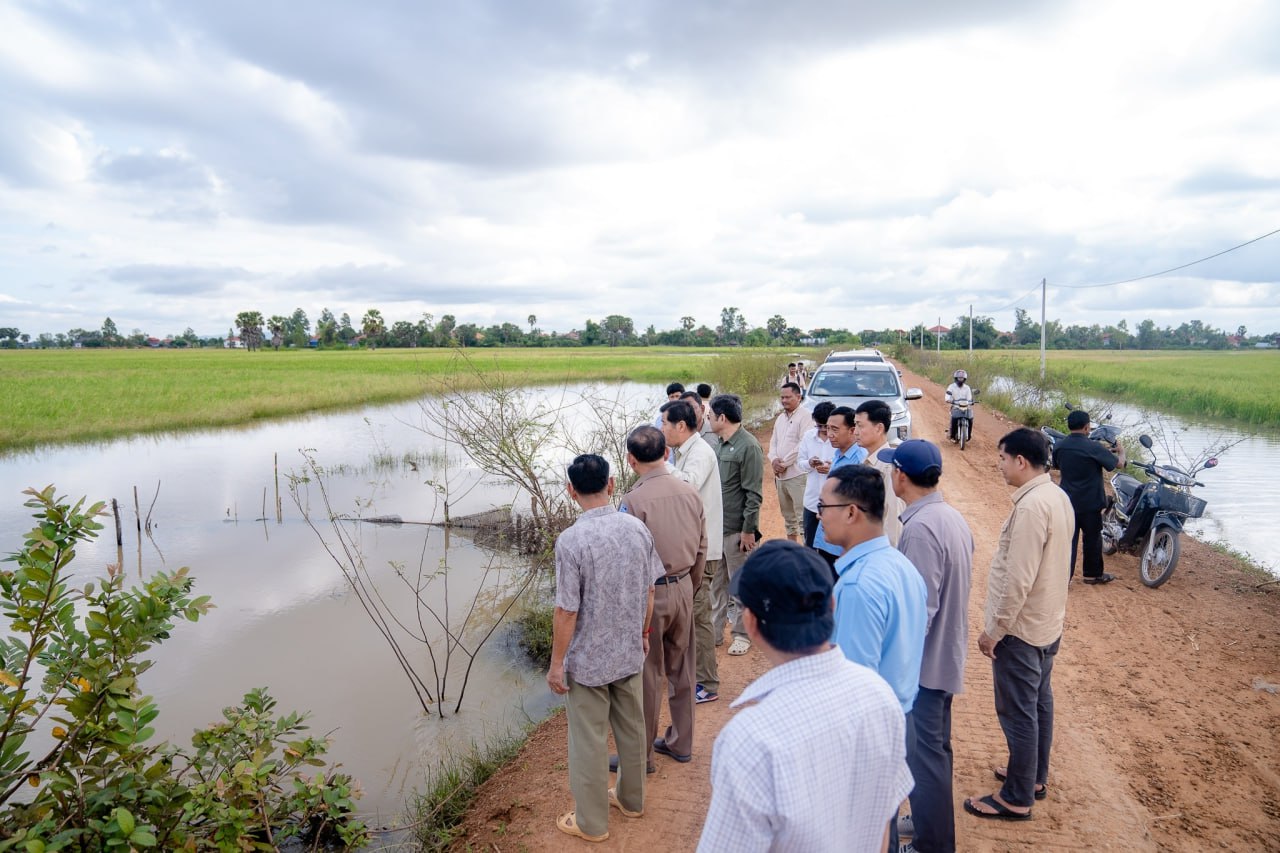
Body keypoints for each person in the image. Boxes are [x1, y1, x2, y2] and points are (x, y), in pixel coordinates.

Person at [697, 541, 913, 853]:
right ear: (833, 607)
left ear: (751, 624)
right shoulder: (880, 695)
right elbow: (881, 824)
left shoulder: (749, 740)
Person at [548, 454, 665, 842]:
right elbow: (650, 589)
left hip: (588, 661)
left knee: (588, 741)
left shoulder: (571, 540)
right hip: (629, 651)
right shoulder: (636, 529)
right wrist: (644, 632)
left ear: (571, 491)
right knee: (632, 730)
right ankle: (632, 801)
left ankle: (592, 823)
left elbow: (567, 608)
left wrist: (556, 663)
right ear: (611, 484)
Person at [965, 428, 1072, 822]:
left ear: (1021, 462)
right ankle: (1033, 777)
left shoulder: (1030, 507)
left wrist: (995, 629)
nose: (1000, 466)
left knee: (1018, 712)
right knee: (1039, 702)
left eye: (1002, 459)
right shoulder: (1057, 496)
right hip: (1048, 623)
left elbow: (1018, 579)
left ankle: (1016, 796)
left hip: (1022, 630)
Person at [818, 465, 928, 850]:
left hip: (869, 735)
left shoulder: (858, 586)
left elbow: (854, 686)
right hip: (902, 717)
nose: (819, 516)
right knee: (884, 828)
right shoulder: (900, 566)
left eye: (823, 506)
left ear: (851, 512)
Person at [879, 440, 974, 853]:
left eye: (891, 469)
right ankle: (924, 823)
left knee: (926, 758)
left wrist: (896, 670)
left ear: (900, 475)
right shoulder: (947, 515)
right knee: (934, 752)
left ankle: (932, 843)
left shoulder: (919, 528)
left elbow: (921, 611)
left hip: (925, 667)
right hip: (943, 656)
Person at [619, 426, 707, 769]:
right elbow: (702, 545)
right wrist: (689, 585)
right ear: (666, 453)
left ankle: (641, 758)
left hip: (650, 594)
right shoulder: (689, 491)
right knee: (683, 669)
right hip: (684, 584)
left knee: (648, 674)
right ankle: (681, 743)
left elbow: (629, 559)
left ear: (630, 460)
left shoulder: (633, 501)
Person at [660, 399, 724, 704]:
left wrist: (659, 466)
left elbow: (690, 484)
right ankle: (694, 676)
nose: (662, 430)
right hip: (693, 545)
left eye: (664, 424)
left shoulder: (700, 453)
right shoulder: (682, 452)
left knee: (699, 616)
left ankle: (707, 683)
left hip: (704, 548)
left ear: (681, 426)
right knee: (692, 614)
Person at [708, 393, 765, 657]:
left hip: (736, 529)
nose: (707, 419)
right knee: (716, 584)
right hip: (716, 528)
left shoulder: (748, 446)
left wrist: (748, 530)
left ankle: (742, 634)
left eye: (710, 415)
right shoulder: (719, 444)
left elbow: (754, 494)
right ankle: (714, 632)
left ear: (722, 417)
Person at [1053, 409, 1126, 584]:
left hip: (1067, 501)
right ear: (1087, 427)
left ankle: (1064, 579)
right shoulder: (1094, 447)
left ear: (1069, 426)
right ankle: (1093, 575)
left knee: (1068, 541)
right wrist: (1121, 451)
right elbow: (1119, 464)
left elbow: (1056, 465)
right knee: (1092, 539)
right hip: (1090, 502)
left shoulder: (1060, 445)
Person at [811, 406, 869, 570]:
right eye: (828, 428)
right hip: (826, 540)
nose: (829, 434)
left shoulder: (860, 460)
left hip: (842, 547)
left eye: (835, 429)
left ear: (852, 430)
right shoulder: (837, 455)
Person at [768, 382, 814, 544]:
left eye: (788, 397)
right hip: (780, 477)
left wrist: (784, 463)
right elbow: (773, 442)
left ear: (798, 397)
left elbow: (802, 444)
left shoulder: (806, 416)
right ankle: (792, 551)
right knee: (789, 520)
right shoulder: (780, 418)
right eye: (782, 397)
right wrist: (773, 460)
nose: (784, 400)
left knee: (802, 519)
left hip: (797, 475)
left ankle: (807, 555)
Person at [855, 399, 905, 546]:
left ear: (879, 428)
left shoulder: (889, 468)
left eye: (860, 425)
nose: (855, 431)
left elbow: (894, 520)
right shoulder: (868, 461)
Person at [796, 401, 836, 549]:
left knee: (831, 548)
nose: (824, 430)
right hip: (812, 502)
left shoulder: (839, 441)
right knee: (810, 546)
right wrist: (810, 463)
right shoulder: (808, 437)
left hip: (834, 504)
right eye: (819, 426)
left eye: (827, 426)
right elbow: (800, 462)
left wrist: (831, 469)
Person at [944, 370, 974, 442]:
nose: (960, 380)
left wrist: (971, 401)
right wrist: (948, 400)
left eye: (962, 378)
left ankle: (969, 435)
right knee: (953, 419)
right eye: (959, 378)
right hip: (955, 406)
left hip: (965, 407)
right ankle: (952, 435)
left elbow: (969, 398)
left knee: (971, 419)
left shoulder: (967, 388)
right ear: (956, 378)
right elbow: (947, 395)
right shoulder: (951, 387)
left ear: (964, 379)